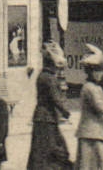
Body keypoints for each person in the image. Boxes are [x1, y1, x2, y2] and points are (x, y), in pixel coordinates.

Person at [28, 42, 74, 170]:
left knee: (42, 151)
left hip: (42, 118)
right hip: (47, 119)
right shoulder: (50, 78)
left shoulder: (42, 75)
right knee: (52, 151)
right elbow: (56, 99)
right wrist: (66, 112)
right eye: (58, 67)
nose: (59, 70)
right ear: (52, 64)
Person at [75, 47, 103, 170]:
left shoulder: (96, 87)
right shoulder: (89, 88)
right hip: (93, 134)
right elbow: (100, 107)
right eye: (97, 71)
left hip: (97, 132)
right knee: (94, 165)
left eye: (101, 71)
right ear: (90, 71)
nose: (100, 74)